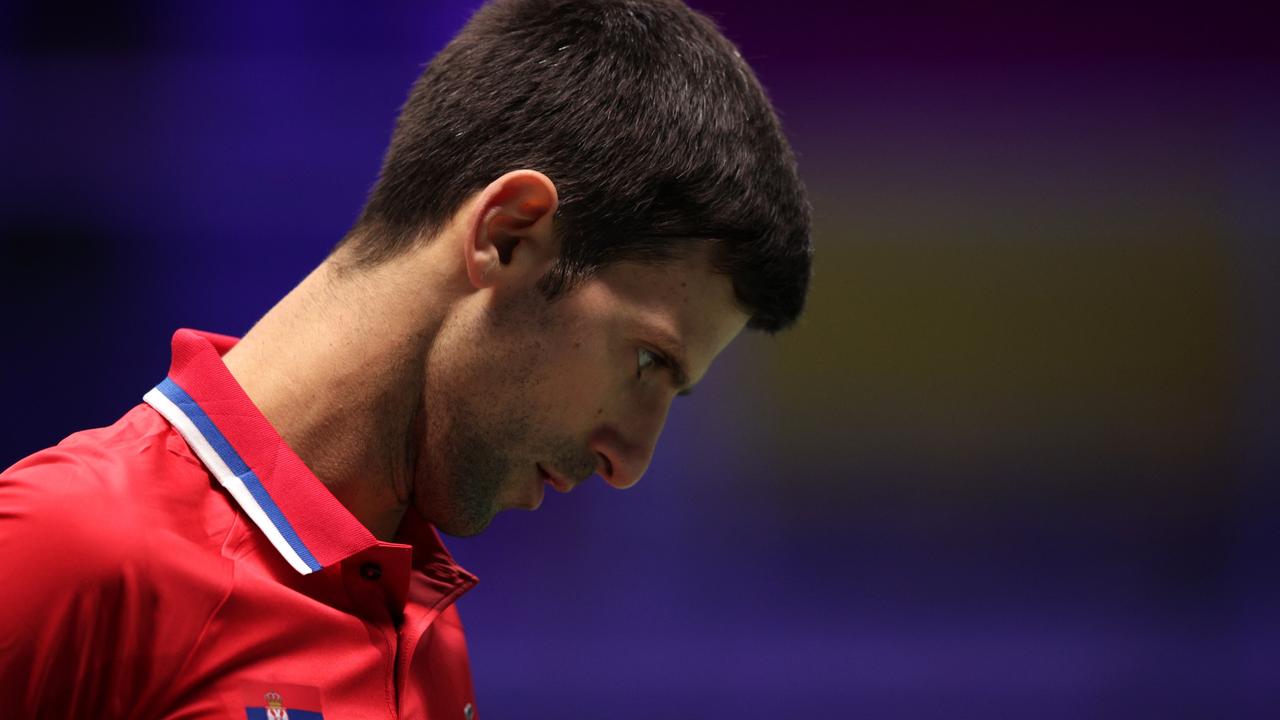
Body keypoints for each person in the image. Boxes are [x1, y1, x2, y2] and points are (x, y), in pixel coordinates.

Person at [0, 0, 811, 717]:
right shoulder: (63, 551)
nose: (630, 461)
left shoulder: (427, 629)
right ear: (507, 234)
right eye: (647, 363)